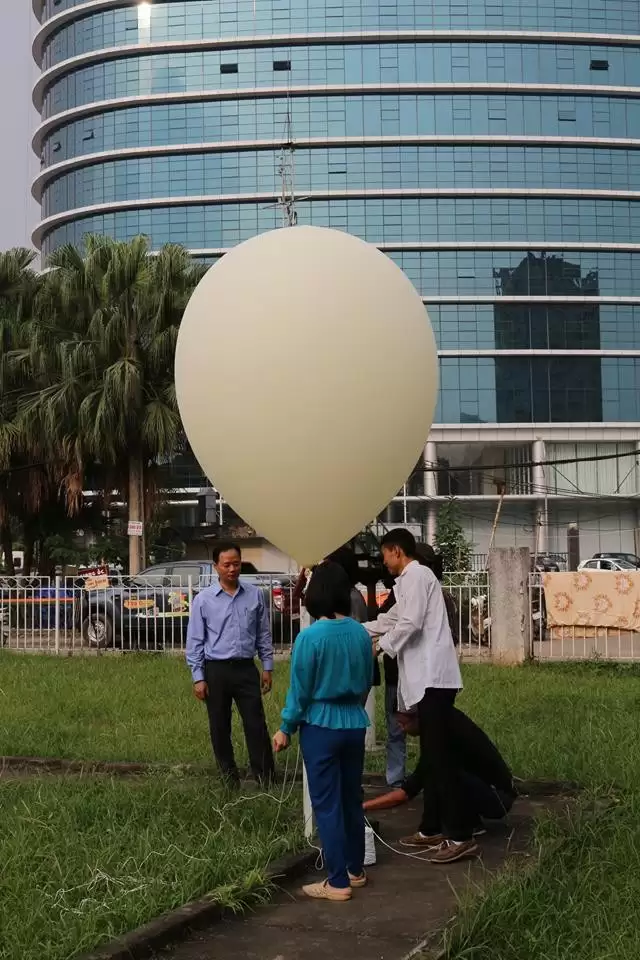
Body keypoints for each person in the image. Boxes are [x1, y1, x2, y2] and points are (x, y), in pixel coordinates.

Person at [363, 528, 478, 864]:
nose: (383, 563)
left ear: (396, 551)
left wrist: (380, 647)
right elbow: (392, 619)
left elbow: (409, 623)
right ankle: (431, 828)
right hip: (427, 680)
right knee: (431, 756)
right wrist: (355, 631)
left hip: (433, 680)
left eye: (385, 555)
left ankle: (460, 835)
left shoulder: (415, 576)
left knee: (440, 760)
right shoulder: (413, 580)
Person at [273, 562, 373, 902]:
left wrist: (286, 727)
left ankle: (337, 881)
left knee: (327, 804)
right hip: (355, 723)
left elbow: (300, 690)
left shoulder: (310, 637)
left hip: (320, 725)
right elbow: (366, 683)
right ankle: (355, 870)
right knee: (351, 798)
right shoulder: (361, 633)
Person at [186, 541, 275, 786]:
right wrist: (198, 677)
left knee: (256, 723)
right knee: (219, 725)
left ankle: (265, 776)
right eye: (226, 565)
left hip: (246, 668)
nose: (232, 569)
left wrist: (267, 666)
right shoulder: (203, 600)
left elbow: (263, 634)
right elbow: (194, 641)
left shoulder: (254, 594)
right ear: (216, 567)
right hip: (216, 670)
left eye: (236, 564)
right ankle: (228, 778)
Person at [363, 710, 517, 827]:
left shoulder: (440, 737)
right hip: (491, 790)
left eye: (404, 724)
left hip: (498, 798)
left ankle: (466, 826)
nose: (402, 730)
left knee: (441, 772)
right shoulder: (446, 720)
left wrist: (364, 806)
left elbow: (406, 792)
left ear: (417, 718)